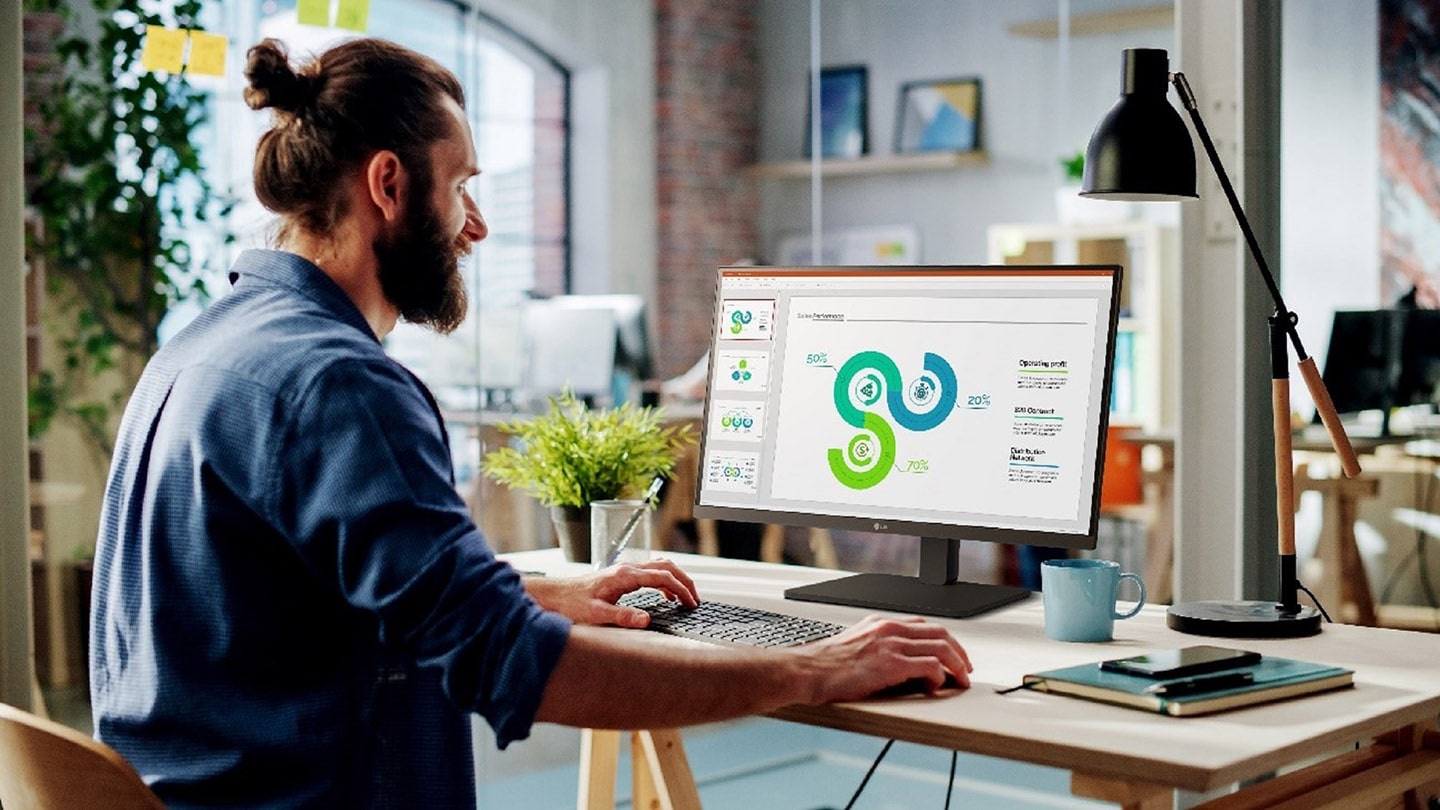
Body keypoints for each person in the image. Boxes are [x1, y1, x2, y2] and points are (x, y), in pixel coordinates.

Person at [90, 37, 972, 808]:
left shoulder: (202, 345)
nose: (475, 225)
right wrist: (815, 668)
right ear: (389, 185)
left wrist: (538, 593)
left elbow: (299, 600)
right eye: (462, 185)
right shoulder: (341, 385)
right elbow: (513, 665)